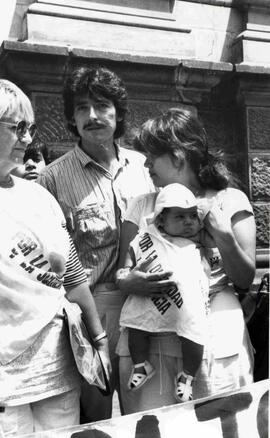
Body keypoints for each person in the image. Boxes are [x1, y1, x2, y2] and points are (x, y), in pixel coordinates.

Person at [115, 107, 256, 414]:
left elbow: (245, 278)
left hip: (214, 343)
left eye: (152, 156)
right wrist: (130, 281)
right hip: (149, 345)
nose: (147, 164)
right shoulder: (141, 207)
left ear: (178, 156)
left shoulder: (229, 201)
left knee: (221, 425)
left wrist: (223, 236)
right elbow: (122, 271)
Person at [37, 66, 154, 421]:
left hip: (148, 304)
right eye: (82, 107)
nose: (92, 116)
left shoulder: (145, 167)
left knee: (148, 407)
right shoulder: (52, 178)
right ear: (71, 117)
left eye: (102, 105)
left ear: (118, 113)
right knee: (97, 415)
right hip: (91, 311)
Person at [0, 79, 111, 435]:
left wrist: (100, 340)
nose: (28, 139)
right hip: (5, 379)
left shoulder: (38, 196)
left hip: (57, 366)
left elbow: (73, 274)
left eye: (29, 128)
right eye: (17, 128)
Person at [119, 183, 210, 402]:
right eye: (179, 217)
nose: (188, 222)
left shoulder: (200, 240)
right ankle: (141, 364)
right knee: (137, 325)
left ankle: (188, 375)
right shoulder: (145, 238)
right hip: (151, 296)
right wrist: (127, 274)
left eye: (192, 216)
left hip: (186, 302)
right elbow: (128, 262)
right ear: (161, 220)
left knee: (194, 334)